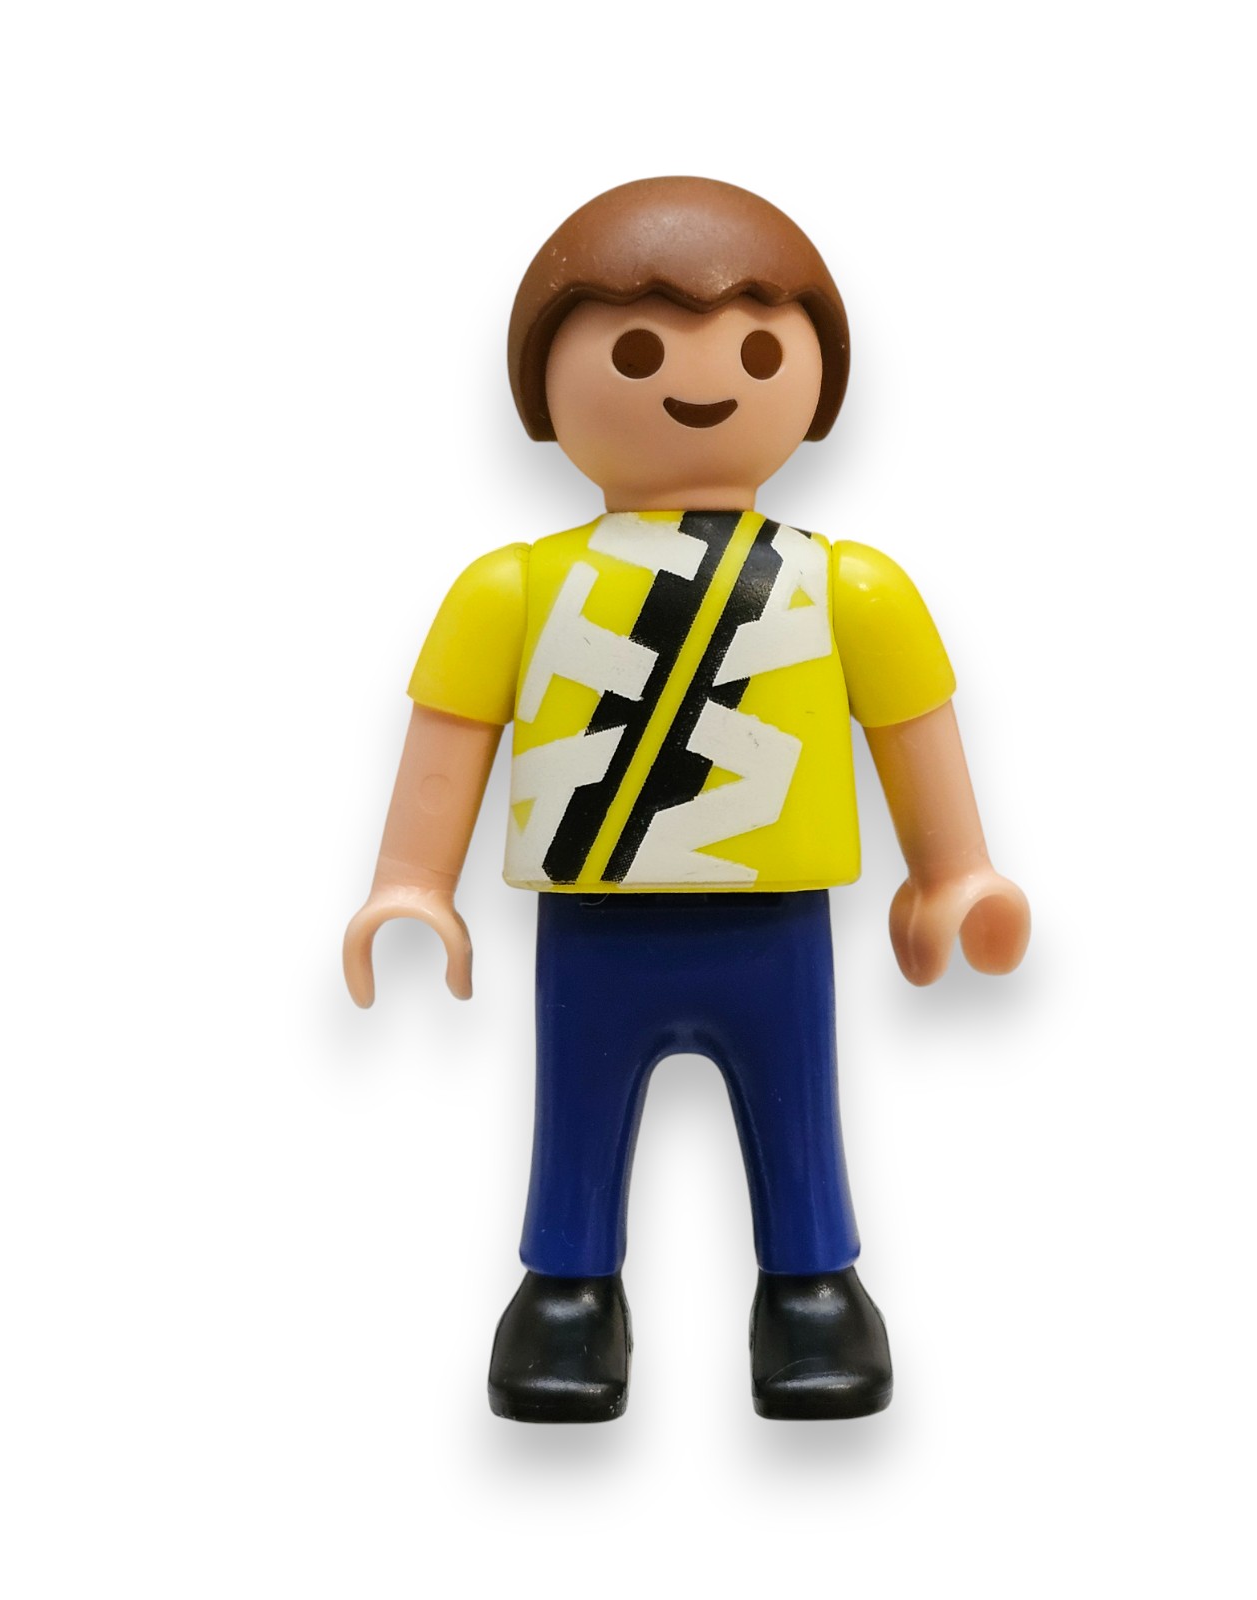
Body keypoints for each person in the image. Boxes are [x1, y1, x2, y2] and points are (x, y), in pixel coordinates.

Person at [343, 177, 1030, 1422]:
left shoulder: (848, 588)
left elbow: (912, 732)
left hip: (776, 919)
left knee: (800, 1109)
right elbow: (451, 735)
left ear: (816, 378)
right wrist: (410, 883)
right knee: (575, 1107)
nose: (699, 382)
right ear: (544, 382)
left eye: (758, 351)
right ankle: (566, 1293)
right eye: (637, 351)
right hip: (593, 921)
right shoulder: (513, 588)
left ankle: (813, 1288)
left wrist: (953, 874)